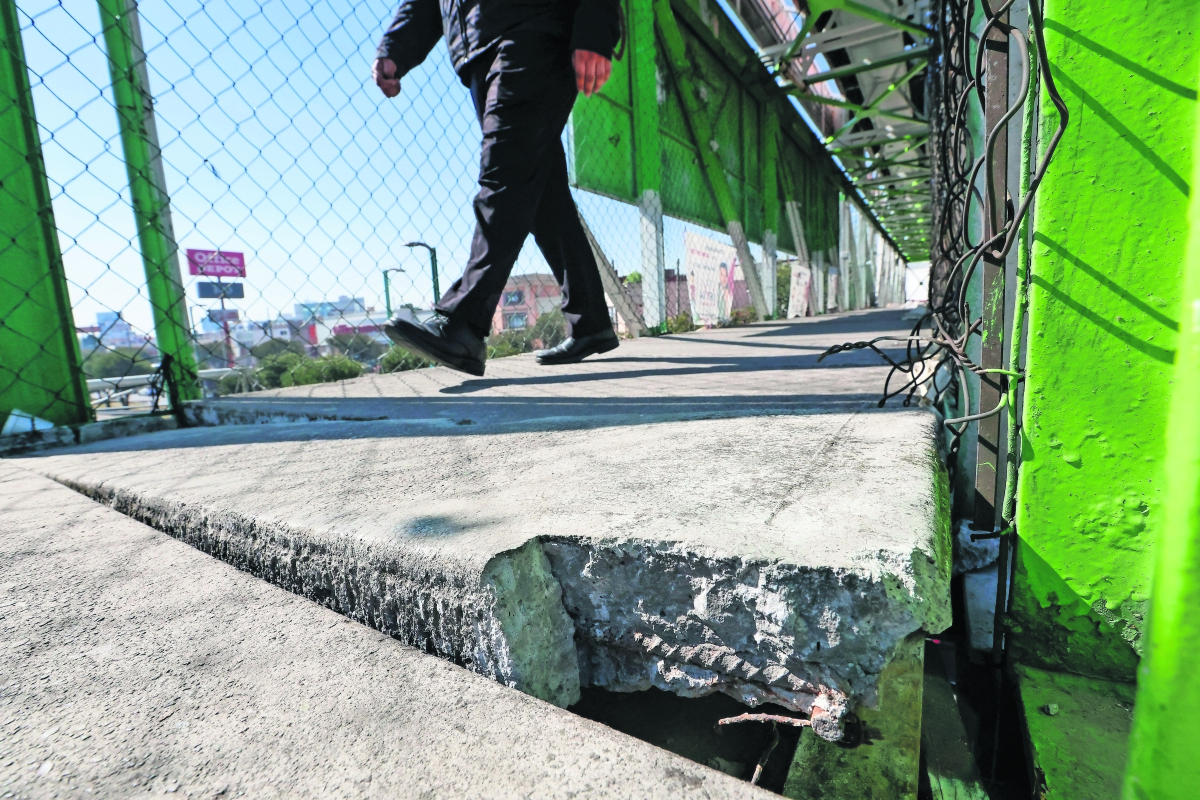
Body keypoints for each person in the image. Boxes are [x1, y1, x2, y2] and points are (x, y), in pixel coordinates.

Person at [373, 0, 622, 376]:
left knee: (504, 174)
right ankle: (591, 321)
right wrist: (395, 49)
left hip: (534, 26)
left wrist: (595, 27)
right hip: (477, 48)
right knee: (541, 193)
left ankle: (464, 323)